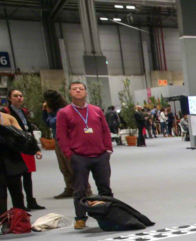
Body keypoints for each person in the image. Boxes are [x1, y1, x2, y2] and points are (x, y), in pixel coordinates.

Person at [56, 81, 115, 231]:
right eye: (74, 89)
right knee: (80, 190)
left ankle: (109, 214)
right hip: (79, 157)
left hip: (100, 155)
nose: (77, 91)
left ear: (85, 92)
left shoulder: (96, 110)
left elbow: (105, 130)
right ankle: (81, 218)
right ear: (70, 92)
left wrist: (108, 149)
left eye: (80, 89)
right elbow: (61, 136)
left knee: (105, 188)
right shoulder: (64, 112)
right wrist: (70, 154)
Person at [1, 89, 44, 211]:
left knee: (18, 188)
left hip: (13, 155)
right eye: (16, 96)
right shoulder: (7, 112)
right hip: (9, 157)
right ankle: (4, 220)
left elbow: (24, 135)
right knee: (2, 193)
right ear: (9, 98)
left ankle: (22, 212)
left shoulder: (9, 117)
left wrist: (35, 148)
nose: (19, 98)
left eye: (21, 95)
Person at [43, 90, 84, 198]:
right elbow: (47, 123)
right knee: (64, 167)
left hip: (67, 141)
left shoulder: (62, 111)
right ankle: (70, 188)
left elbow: (52, 123)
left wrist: (48, 112)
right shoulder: (55, 111)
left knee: (72, 166)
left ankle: (84, 188)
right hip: (58, 140)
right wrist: (46, 112)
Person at [1, 110, 30, 215]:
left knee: (17, 192)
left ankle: (19, 220)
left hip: (12, 159)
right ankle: (2, 221)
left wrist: (7, 131)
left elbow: (23, 137)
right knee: (1, 194)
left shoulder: (8, 118)